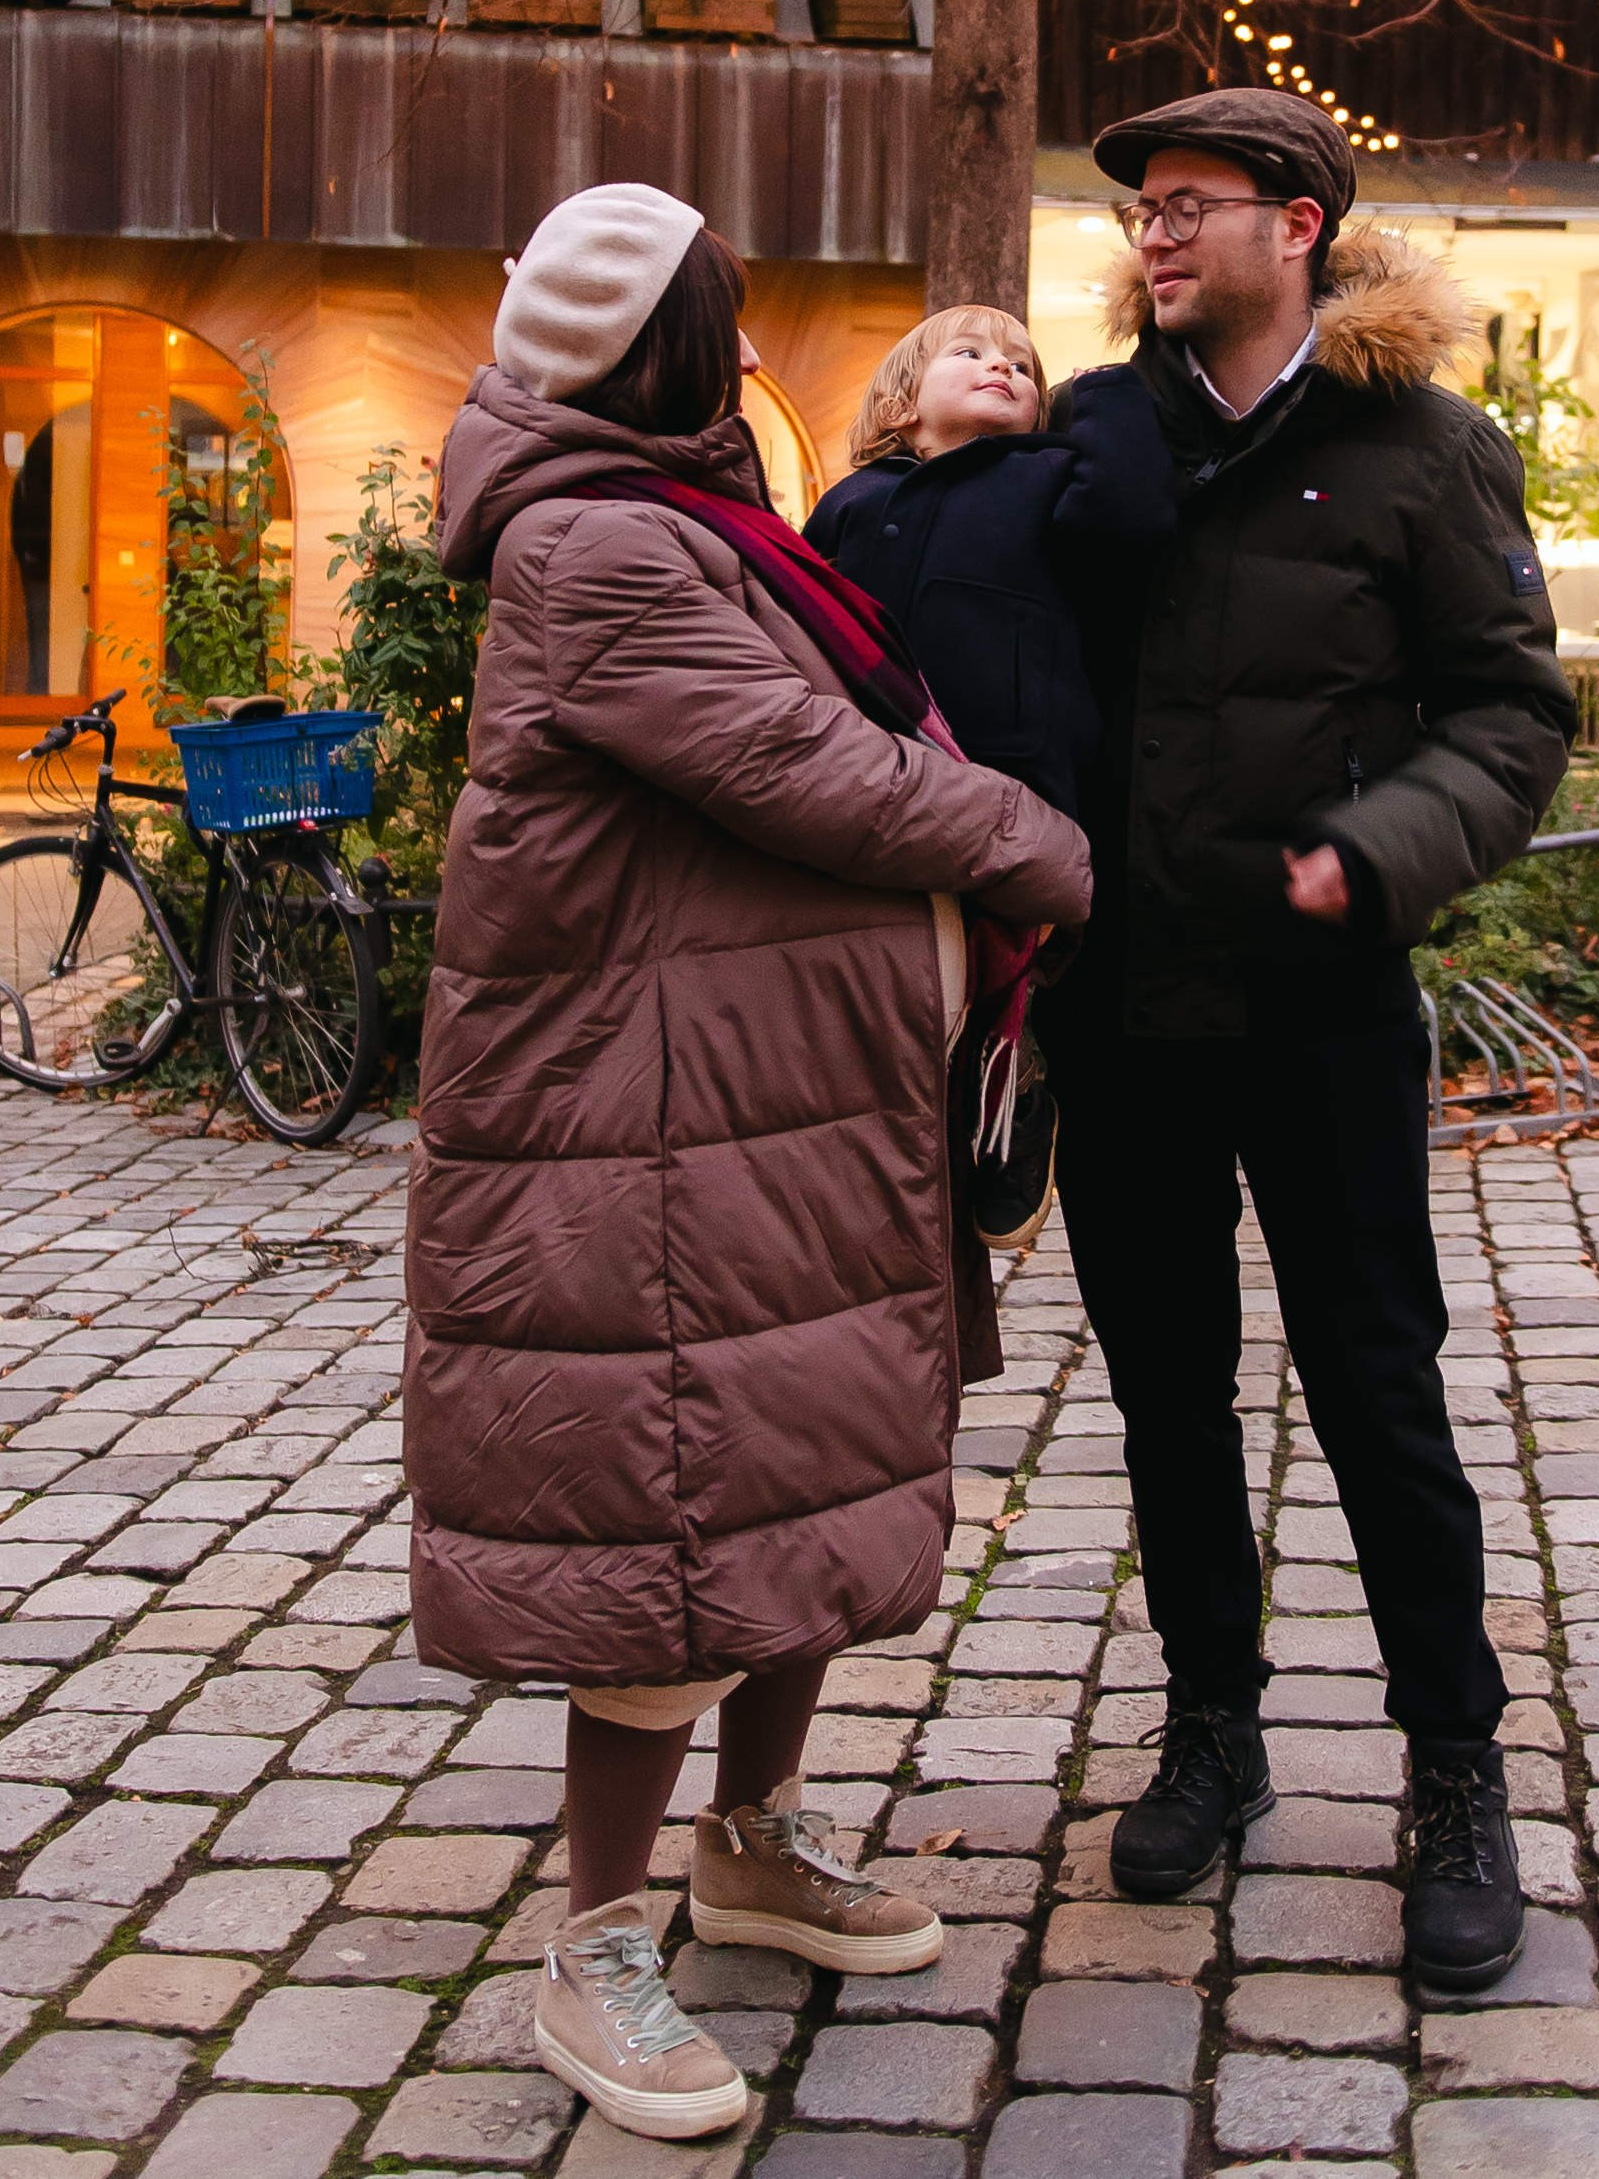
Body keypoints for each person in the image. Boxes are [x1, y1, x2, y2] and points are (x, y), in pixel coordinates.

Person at [407, 183, 1090, 2142]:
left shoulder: (693, 514)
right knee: (675, 1528)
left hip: (775, 1105)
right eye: (728, 312)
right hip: (650, 1125)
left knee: (792, 1483)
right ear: (665, 344)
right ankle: (597, 1946)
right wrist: (1027, 842)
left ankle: (755, 1848)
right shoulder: (601, 542)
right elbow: (808, 768)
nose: (757, 339)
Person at [1045, 89, 1574, 1996]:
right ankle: (1214, 1726)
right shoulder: (1092, 432)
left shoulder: (1426, 451)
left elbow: (1512, 717)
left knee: (1376, 1389)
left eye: (1189, 206)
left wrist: (1377, 845)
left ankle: (1453, 1768)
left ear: (1298, 220)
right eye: (1142, 213)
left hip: (1323, 1012)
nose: (1154, 237)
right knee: (1168, 1392)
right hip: (1122, 1008)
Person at [804, 305, 1174, 820]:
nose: (1003, 367)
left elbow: (1128, 511)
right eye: (970, 353)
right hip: (862, 767)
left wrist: (1109, 395)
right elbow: (801, 610)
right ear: (899, 406)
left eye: (1022, 368)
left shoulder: (1047, 475)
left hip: (1013, 785)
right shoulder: (855, 498)